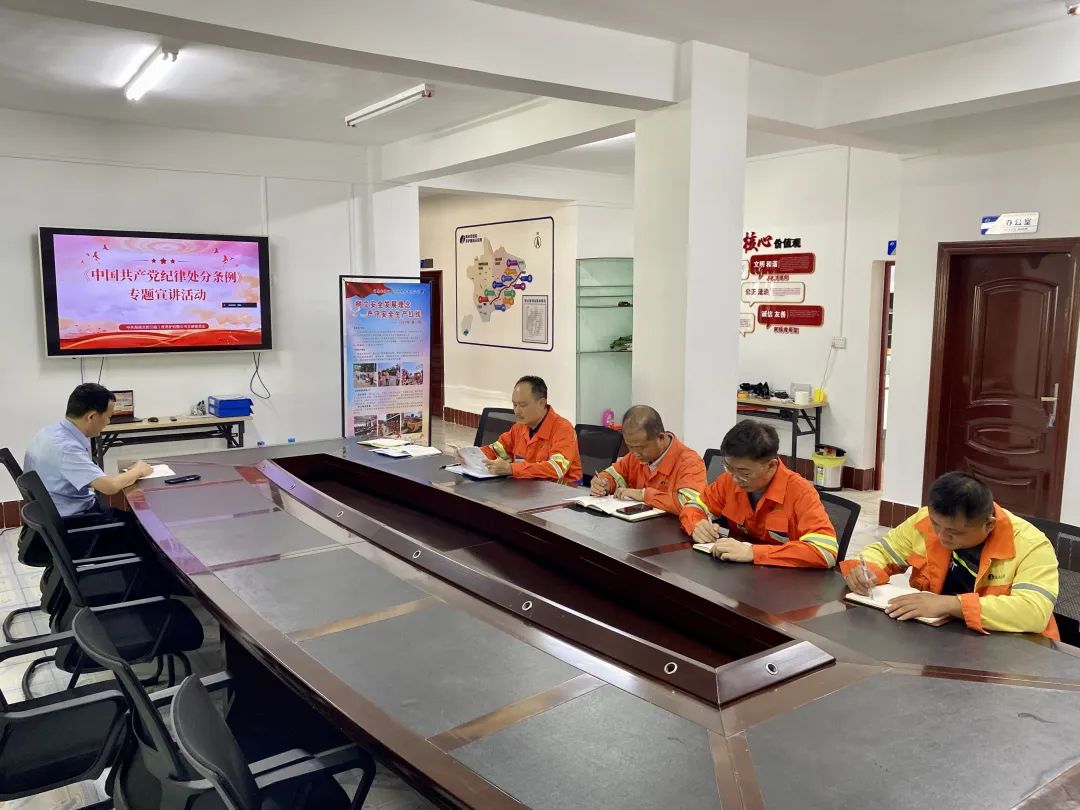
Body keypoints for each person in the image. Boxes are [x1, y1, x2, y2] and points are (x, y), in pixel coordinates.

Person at [841, 472, 1060, 637]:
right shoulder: (926, 520)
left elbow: (1034, 611)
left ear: (989, 524)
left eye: (955, 532)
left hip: (1016, 651)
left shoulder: (1031, 545)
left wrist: (950, 605)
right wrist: (864, 570)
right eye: (936, 525)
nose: (941, 536)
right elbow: (881, 551)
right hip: (947, 636)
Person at [689, 420, 839, 568]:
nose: (735, 479)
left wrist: (753, 552)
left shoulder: (800, 492)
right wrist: (697, 524)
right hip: (738, 572)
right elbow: (694, 506)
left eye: (744, 473)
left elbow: (825, 551)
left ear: (771, 465)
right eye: (728, 468)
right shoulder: (729, 480)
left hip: (784, 578)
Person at [24, 383, 153, 517]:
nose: (108, 422)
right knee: (143, 521)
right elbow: (109, 487)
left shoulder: (49, 432)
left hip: (53, 511)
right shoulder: (66, 448)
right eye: (108, 417)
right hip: (75, 519)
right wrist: (138, 471)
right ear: (91, 417)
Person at [590, 406, 708, 533]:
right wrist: (604, 483)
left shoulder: (689, 462)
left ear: (661, 438)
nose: (635, 453)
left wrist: (643, 495)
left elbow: (690, 504)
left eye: (641, 448)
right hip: (639, 531)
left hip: (673, 535)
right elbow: (614, 474)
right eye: (630, 446)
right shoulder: (635, 456)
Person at [478, 376, 582, 484]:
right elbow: (497, 450)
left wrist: (511, 469)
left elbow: (556, 469)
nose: (517, 411)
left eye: (522, 405)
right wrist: (471, 455)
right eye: (514, 405)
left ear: (541, 403)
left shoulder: (563, 429)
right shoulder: (520, 427)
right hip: (526, 487)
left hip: (561, 491)